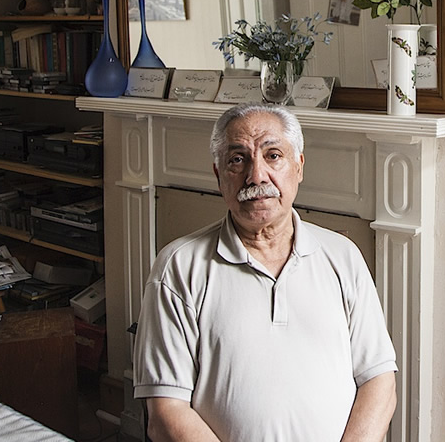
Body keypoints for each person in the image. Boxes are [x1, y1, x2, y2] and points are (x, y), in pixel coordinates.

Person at [133, 103, 397, 442]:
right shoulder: (178, 268)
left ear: (298, 167)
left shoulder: (342, 257)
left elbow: (379, 380)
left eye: (273, 155)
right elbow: (166, 412)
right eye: (238, 159)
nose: (256, 176)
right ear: (218, 175)